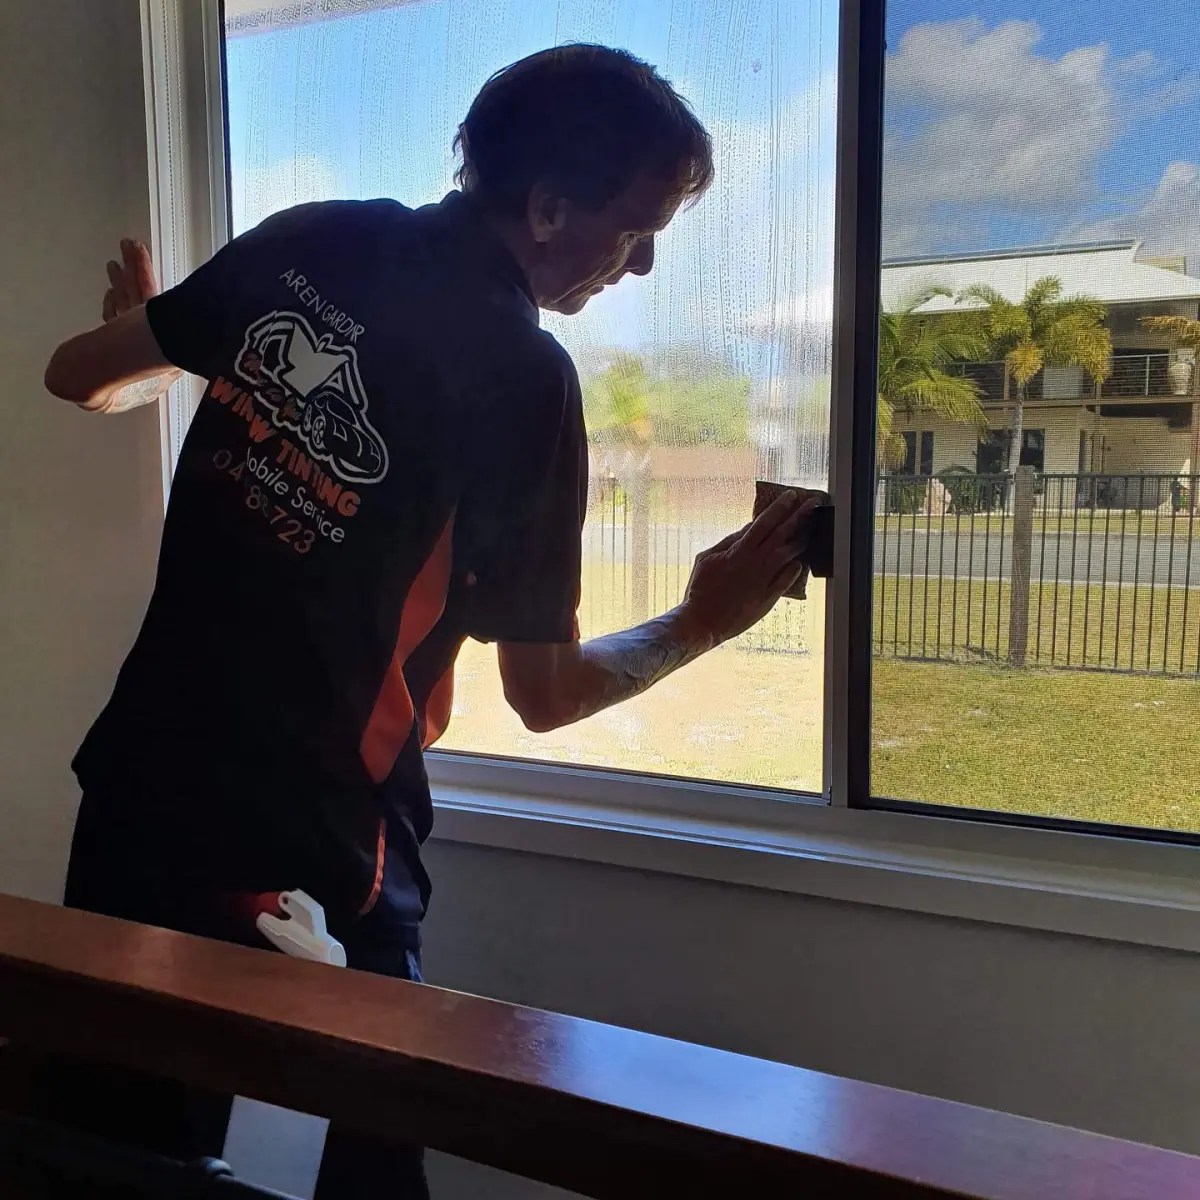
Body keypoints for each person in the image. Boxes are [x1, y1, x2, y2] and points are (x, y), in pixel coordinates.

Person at [40, 44, 817, 1199]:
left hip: (137, 802)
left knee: (106, 1160)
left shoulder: (308, 241)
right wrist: (703, 621)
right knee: (350, 1178)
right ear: (547, 208)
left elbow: (77, 373)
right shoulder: (523, 376)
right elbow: (545, 695)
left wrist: (171, 357)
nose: (644, 263)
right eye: (634, 229)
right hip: (313, 864)